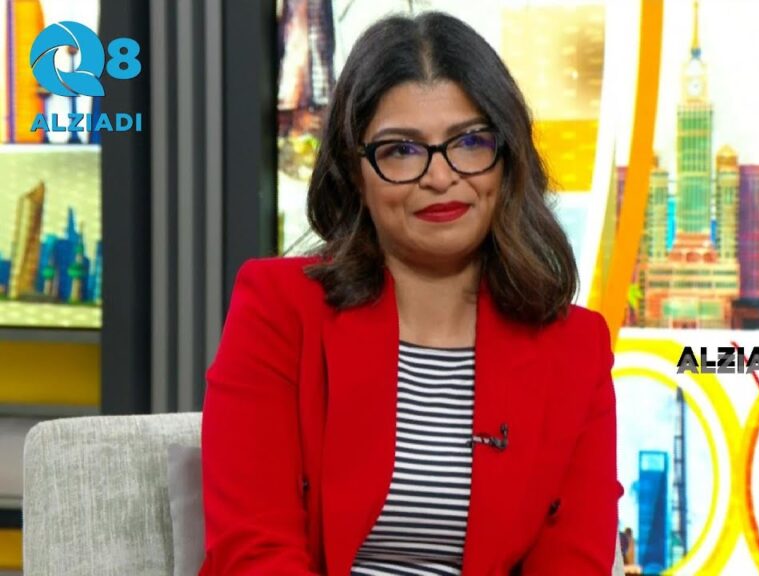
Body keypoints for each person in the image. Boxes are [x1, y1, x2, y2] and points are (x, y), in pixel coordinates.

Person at [200, 10, 623, 576]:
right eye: (401, 150)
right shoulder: (277, 308)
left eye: (470, 142)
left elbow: (573, 562)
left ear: (507, 159)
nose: (440, 177)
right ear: (355, 172)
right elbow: (254, 551)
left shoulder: (576, 348)